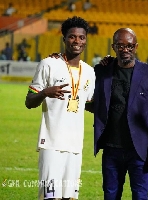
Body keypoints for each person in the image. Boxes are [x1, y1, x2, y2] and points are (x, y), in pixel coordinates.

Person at [25, 16, 95, 200]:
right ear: (64, 39)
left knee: (68, 197)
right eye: (72, 37)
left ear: (86, 40)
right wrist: (44, 93)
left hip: (75, 146)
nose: (77, 41)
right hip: (51, 144)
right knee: (50, 196)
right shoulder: (48, 64)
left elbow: (89, 104)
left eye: (81, 37)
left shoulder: (89, 71)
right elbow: (29, 101)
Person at [93, 28, 148, 199]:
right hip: (111, 149)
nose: (125, 49)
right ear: (113, 47)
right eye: (120, 46)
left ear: (136, 46)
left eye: (129, 46)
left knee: (140, 196)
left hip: (140, 150)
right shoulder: (102, 71)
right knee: (110, 196)